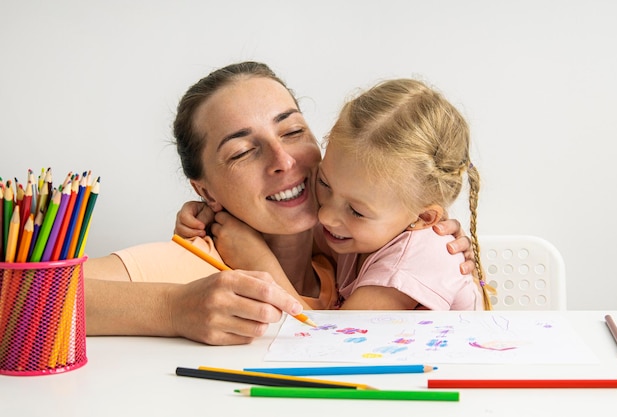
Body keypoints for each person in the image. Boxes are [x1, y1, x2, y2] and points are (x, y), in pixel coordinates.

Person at [85, 62, 476, 346]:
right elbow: (26, 300)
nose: (284, 161)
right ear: (205, 192)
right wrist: (172, 309)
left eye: (292, 131)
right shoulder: (191, 266)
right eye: (241, 152)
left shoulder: (346, 253)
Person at [179, 76, 492, 311]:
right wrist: (209, 214)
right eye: (324, 184)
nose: (325, 215)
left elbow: (331, 349)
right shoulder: (364, 228)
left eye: (355, 210)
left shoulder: (409, 263)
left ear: (423, 217)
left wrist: (260, 263)